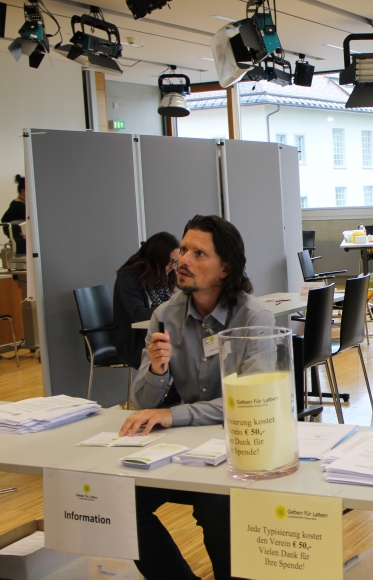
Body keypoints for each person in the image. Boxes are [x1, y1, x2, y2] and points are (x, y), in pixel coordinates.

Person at [118, 215, 274, 580]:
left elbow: (251, 406)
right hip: (188, 451)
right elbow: (143, 401)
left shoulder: (254, 318)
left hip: (245, 449)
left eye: (199, 253)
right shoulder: (165, 315)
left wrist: (174, 415)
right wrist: (157, 371)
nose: (183, 260)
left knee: (216, 508)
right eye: (184, 250)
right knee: (120, 500)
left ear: (225, 269)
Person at [113, 232, 180, 368]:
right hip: (135, 342)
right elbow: (138, 314)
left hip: (156, 334)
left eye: (176, 262)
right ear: (157, 258)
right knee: (183, 353)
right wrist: (173, 306)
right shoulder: (128, 277)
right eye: (171, 261)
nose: (173, 267)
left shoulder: (163, 274)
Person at [2, 175, 26, 255]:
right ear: (23, 191)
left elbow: (4, 220)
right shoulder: (22, 206)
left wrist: (11, 237)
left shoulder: (14, 203)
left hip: (15, 243)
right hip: (22, 245)